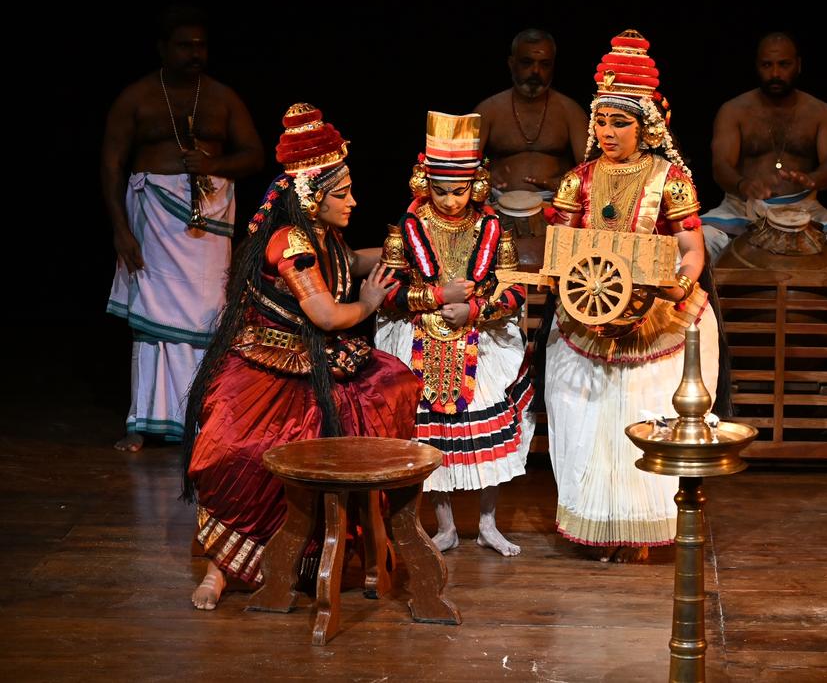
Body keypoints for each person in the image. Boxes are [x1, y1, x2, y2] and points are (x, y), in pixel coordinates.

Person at [182, 104, 421, 609]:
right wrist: (371, 302)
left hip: (318, 363)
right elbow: (327, 315)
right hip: (269, 369)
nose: (353, 200)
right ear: (313, 196)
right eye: (342, 193)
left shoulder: (320, 232)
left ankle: (338, 555)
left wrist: (405, 248)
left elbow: (349, 261)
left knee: (390, 389)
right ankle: (219, 569)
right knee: (241, 453)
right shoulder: (290, 242)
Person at [545, 30, 716, 564]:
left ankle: (643, 529)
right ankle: (598, 526)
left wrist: (679, 284)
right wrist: (571, 294)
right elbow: (563, 251)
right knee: (588, 424)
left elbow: (691, 249)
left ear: (647, 125)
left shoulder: (671, 180)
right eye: (602, 120)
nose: (609, 131)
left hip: (656, 317)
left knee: (643, 414)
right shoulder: (578, 181)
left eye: (621, 121)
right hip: (588, 317)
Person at [103, 5, 263, 451]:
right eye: (184, 46)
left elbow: (254, 155)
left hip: (208, 227)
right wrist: (120, 229)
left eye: (201, 45)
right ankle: (141, 422)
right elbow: (111, 166)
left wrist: (215, 163)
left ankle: (201, 418)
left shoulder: (222, 98)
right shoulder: (136, 98)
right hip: (152, 222)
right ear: (162, 48)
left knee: (209, 314)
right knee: (153, 319)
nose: (195, 53)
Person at [375, 112, 534, 557]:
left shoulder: (492, 228)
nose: (449, 201)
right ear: (425, 184)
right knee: (432, 434)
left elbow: (515, 288)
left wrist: (476, 309)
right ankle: (444, 525)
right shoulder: (404, 230)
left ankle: (487, 523)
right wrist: (433, 297)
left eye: (459, 191)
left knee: (489, 428)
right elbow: (388, 292)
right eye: (440, 191)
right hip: (419, 336)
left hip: (480, 337)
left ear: (477, 186)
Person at [701, 32, 827, 268]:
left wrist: (813, 179)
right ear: (756, 66)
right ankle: (708, 307)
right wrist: (743, 184)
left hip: (805, 209)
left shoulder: (821, 112)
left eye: (784, 64)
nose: (775, 74)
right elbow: (721, 166)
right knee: (702, 241)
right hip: (742, 208)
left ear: (798, 65)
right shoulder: (733, 110)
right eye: (767, 65)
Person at [475, 29, 588, 200]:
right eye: (527, 62)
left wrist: (562, 185)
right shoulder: (488, 110)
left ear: (553, 66)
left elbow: (591, 171)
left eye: (544, 64)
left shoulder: (571, 112)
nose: (536, 71)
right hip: (496, 205)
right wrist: (484, 178)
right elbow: (463, 167)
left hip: (556, 206)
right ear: (512, 64)